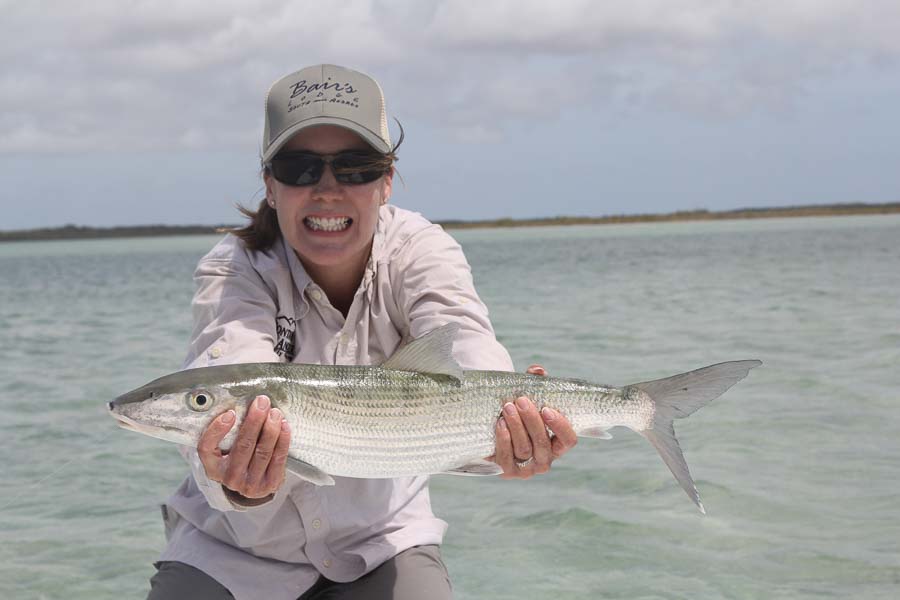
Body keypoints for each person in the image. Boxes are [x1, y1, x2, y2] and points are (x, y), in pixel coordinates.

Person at [147, 64, 577, 600]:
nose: (327, 190)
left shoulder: (421, 250)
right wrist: (240, 483)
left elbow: (465, 345)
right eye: (299, 168)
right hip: (231, 552)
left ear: (387, 180)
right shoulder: (235, 267)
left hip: (383, 541)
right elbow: (227, 369)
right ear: (270, 185)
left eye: (355, 168)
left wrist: (513, 426)